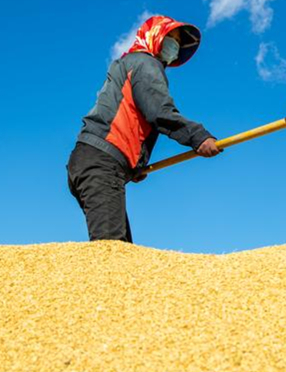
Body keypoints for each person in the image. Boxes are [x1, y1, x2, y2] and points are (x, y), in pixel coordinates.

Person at [67, 15, 221, 242]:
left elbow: (130, 118)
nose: (175, 47)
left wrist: (134, 165)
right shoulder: (145, 63)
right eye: (172, 38)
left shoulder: (129, 65)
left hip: (95, 162)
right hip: (101, 162)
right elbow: (159, 112)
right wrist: (198, 137)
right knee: (111, 251)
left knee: (121, 249)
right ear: (155, 36)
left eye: (178, 43)